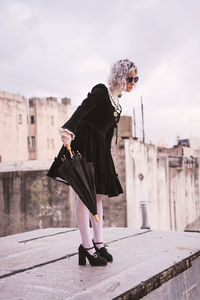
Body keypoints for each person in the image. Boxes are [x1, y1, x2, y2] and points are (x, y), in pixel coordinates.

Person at [60, 59, 138, 266]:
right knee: (85, 195)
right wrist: (68, 131)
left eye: (136, 79)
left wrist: (106, 156)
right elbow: (83, 108)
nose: (134, 82)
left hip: (100, 150)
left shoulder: (118, 104)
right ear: (121, 76)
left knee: (98, 196)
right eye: (131, 78)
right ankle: (87, 246)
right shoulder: (101, 91)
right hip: (85, 145)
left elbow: (108, 133)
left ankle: (98, 242)